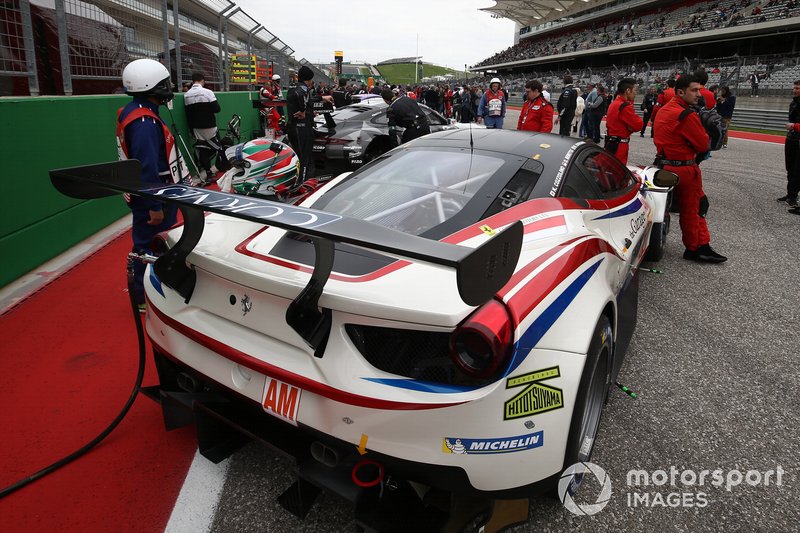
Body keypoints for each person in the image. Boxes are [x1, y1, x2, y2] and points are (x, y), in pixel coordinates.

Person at [117, 58, 188, 312]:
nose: (169, 86)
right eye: (164, 82)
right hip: (153, 195)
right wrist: (154, 206)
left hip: (154, 192)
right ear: (151, 85)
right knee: (149, 245)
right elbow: (145, 168)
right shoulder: (144, 122)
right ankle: (142, 296)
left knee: (156, 242)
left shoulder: (137, 112)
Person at [653, 75, 727, 263]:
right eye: (694, 90)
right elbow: (703, 144)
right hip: (685, 169)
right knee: (695, 208)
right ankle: (697, 247)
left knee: (664, 208)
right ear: (680, 91)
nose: (698, 94)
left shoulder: (664, 110)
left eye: (699, 90)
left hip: (664, 165)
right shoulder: (686, 114)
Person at [286, 65, 333, 182]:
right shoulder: (303, 89)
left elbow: (309, 100)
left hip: (293, 128)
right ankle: (301, 185)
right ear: (309, 79)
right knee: (304, 159)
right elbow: (302, 95)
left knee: (301, 158)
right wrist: (302, 110)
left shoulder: (293, 87)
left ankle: (301, 182)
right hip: (302, 128)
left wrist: (323, 98)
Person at [184, 71, 226, 182]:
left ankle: (207, 171)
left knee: (202, 149)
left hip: (196, 127)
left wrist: (191, 130)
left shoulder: (186, 95)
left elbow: (188, 115)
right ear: (202, 80)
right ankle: (221, 166)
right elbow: (217, 109)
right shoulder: (208, 92)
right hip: (210, 126)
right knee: (218, 147)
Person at [605, 78, 643, 165]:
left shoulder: (615, 103)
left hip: (611, 143)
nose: (636, 93)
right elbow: (638, 125)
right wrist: (629, 128)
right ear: (628, 90)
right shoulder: (624, 106)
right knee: (618, 171)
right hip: (620, 146)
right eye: (635, 90)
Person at [780, 80, 800, 211]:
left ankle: (793, 196)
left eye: (797, 88)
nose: (795, 90)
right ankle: (790, 193)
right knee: (790, 167)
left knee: (798, 170)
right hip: (791, 139)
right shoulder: (794, 102)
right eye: (794, 88)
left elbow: (794, 123)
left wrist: (795, 126)